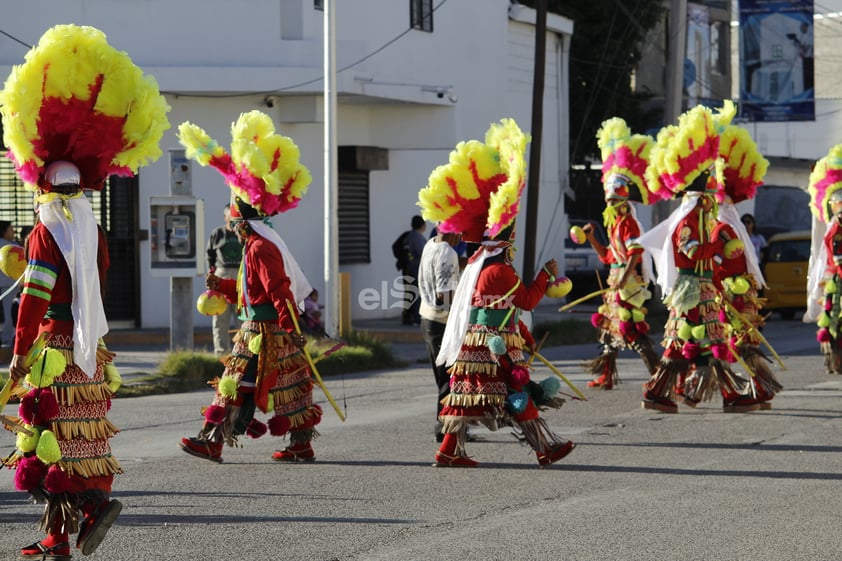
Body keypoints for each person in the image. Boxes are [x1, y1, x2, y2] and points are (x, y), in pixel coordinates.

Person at [0, 24, 169, 560]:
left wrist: (19, 354)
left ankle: (90, 511)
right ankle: (58, 536)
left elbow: (34, 298)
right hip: (91, 353)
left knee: (47, 438)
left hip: (54, 348)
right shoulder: (91, 230)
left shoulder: (45, 231)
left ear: (44, 187)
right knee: (80, 442)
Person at [418, 118, 574, 468]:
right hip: (493, 343)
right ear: (506, 243)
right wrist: (545, 276)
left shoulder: (478, 263)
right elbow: (528, 301)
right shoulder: (499, 269)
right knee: (516, 392)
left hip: (483, 340)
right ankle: (544, 447)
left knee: (465, 397)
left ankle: (447, 451)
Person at [177, 110, 323, 463]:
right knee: (290, 388)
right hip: (266, 327)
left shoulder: (260, 247)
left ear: (244, 223)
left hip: (263, 331)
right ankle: (300, 444)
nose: (233, 228)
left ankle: (212, 440)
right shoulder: (256, 247)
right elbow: (250, 292)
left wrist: (290, 329)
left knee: (233, 385)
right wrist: (223, 286)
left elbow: (277, 291)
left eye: (235, 223)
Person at [638, 102, 748, 413]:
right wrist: (717, 246)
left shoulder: (701, 219)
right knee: (682, 346)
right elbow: (692, 253)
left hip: (703, 288)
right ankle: (659, 391)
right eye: (709, 197)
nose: (713, 202)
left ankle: (721, 392)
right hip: (690, 290)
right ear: (700, 198)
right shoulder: (687, 223)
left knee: (711, 342)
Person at [581, 118, 662, 390]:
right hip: (616, 278)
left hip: (628, 282)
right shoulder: (613, 222)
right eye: (609, 201)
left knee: (631, 330)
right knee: (608, 329)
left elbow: (635, 253)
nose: (612, 205)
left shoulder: (628, 223)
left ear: (623, 200)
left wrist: (623, 279)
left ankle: (658, 374)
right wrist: (591, 237)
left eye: (615, 201)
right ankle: (606, 375)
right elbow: (607, 255)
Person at [417, 229, 462, 442]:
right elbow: (443, 297)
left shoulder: (431, 244)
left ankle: (447, 424)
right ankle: (446, 428)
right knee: (448, 377)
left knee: (444, 377)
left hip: (427, 319)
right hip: (442, 321)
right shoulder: (447, 253)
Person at [806, 143, 842, 376]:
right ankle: (835, 360)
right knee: (835, 319)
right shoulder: (836, 227)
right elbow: (835, 254)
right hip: (837, 279)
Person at [206, 204, 242, 355]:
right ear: (225, 217)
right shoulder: (217, 233)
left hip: (240, 273)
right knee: (220, 317)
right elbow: (209, 256)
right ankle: (221, 353)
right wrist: (211, 275)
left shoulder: (242, 233)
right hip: (222, 272)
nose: (232, 219)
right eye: (230, 216)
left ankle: (242, 353)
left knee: (242, 317)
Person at [0, 220, 21, 347]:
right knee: (9, 315)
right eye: (10, 230)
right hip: (8, 284)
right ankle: (8, 339)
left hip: (11, 284)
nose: (13, 232)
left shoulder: (11, 244)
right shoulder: (6, 246)